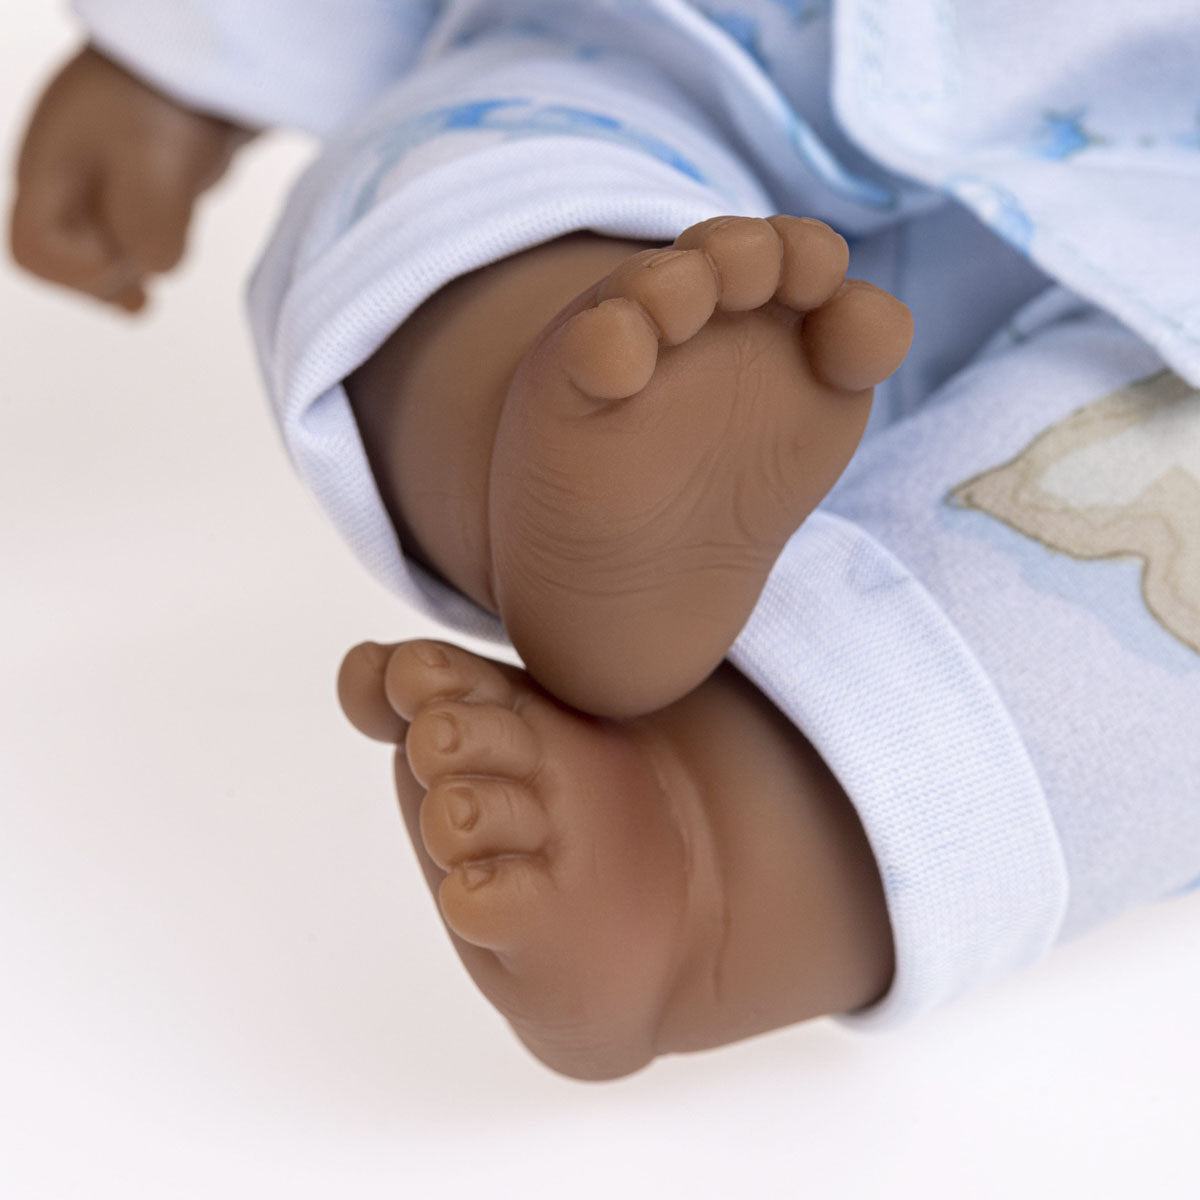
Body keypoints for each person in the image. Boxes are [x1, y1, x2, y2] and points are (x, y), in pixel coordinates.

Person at [11, 1, 1200, 1080]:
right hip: (709, 49)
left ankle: (720, 849)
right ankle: (550, 437)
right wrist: (191, 58)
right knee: (460, 171)